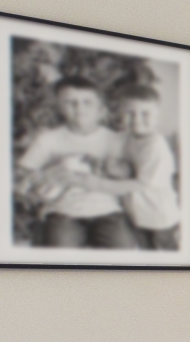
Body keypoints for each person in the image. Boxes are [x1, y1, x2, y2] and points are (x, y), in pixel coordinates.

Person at [51, 81, 183, 250]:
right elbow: (124, 166)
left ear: (158, 116)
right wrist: (95, 161)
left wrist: (98, 184)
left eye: (145, 113)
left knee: (166, 257)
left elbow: (140, 184)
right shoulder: (126, 137)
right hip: (137, 215)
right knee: (143, 255)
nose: (137, 119)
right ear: (119, 115)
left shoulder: (155, 145)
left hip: (159, 217)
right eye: (129, 113)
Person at [16, 76, 134, 248]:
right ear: (59, 107)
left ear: (101, 109)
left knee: (124, 250)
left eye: (87, 102)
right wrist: (48, 175)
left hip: (107, 209)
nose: (79, 108)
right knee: (59, 250)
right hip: (63, 210)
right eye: (70, 102)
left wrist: (112, 169)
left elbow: (130, 176)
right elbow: (23, 171)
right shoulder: (49, 139)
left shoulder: (115, 139)